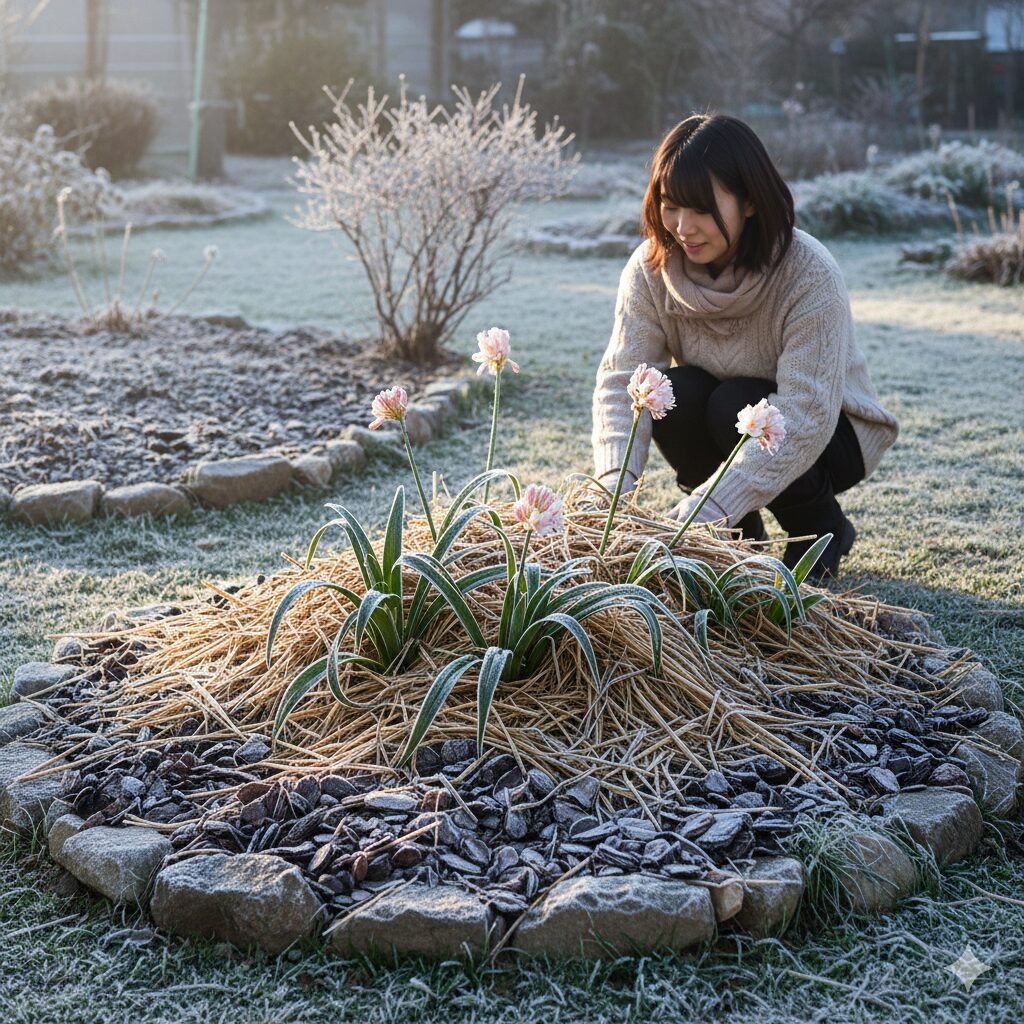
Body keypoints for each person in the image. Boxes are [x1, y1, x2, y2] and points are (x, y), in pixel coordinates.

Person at [591, 113, 899, 579]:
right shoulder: (651, 269)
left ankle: (819, 528)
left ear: (750, 201)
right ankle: (737, 541)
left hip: (831, 431)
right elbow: (624, 383)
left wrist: (711, 505)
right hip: (731, 413)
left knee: (737, 404)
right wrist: (614, 490)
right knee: (668, 393)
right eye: (671, 206)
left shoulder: (808, 272)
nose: (682, 227)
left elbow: (804, 412)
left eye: (701, 209)